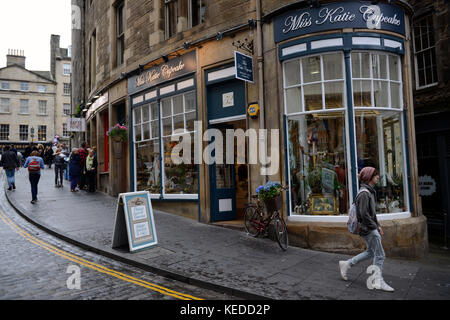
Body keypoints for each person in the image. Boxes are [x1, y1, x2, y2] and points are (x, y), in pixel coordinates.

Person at [339, 167, 394, 292]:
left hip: (370, 228)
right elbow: (364, 215)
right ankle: (377, 281)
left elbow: (372, 214)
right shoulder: (364, 193)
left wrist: (378, 225)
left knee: (371, 252)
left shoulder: (369, 191)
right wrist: (375, 228)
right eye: (375, 175)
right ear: (369, 177)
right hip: (368, 229)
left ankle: (347, 264)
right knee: (380, 255)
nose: (378, 177)